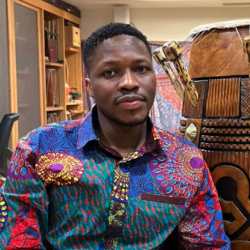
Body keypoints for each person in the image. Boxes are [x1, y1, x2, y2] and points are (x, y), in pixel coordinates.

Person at [0, 23, 230, 249]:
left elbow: (207, 245)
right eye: (110, 72)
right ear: (89, 87)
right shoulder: (39, 148)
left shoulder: (187, 161)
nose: (129, 83)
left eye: (141, 69)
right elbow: (18, 242)